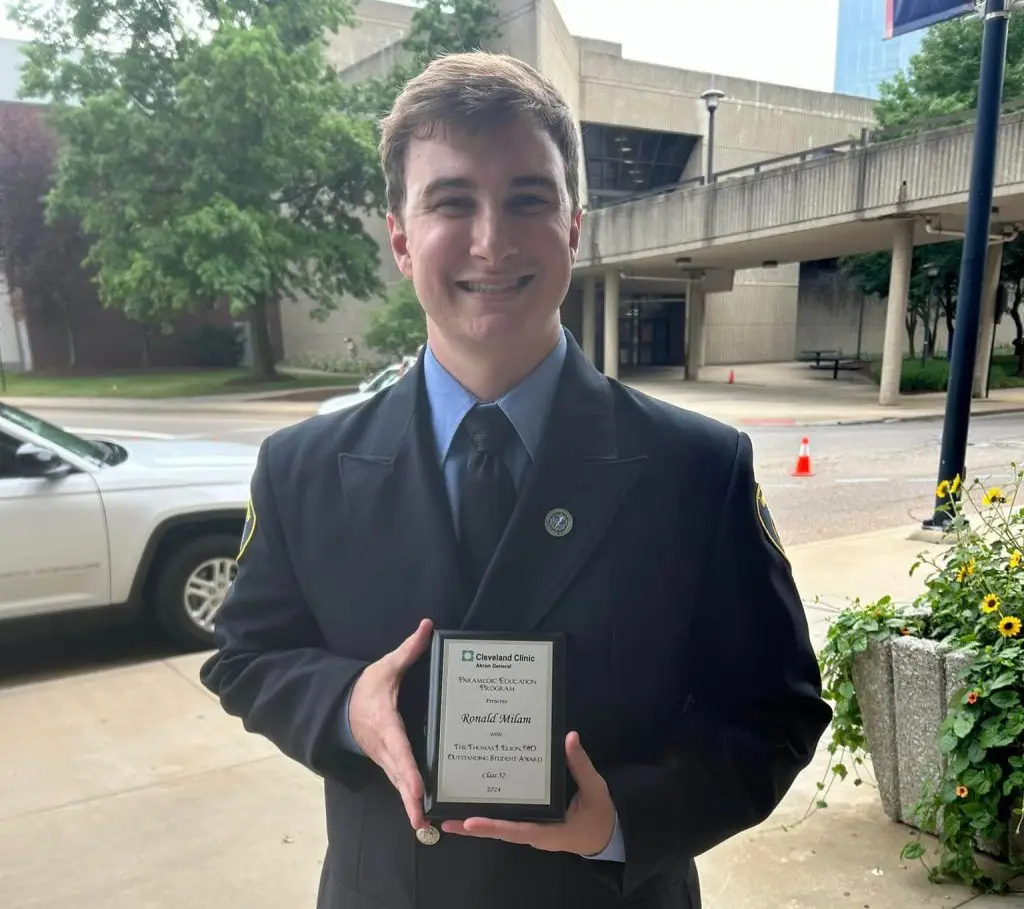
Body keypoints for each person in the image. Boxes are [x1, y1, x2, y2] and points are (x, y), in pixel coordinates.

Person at [200, 51, 831, 909]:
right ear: (398, 236)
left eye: (528, 199)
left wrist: (624, 821)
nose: (491, 240)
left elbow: (775, 710)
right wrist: (347, 704)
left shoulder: (698, 471)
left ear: (575, 224)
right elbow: (247, 655)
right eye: (451, 201)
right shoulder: (301, 470)